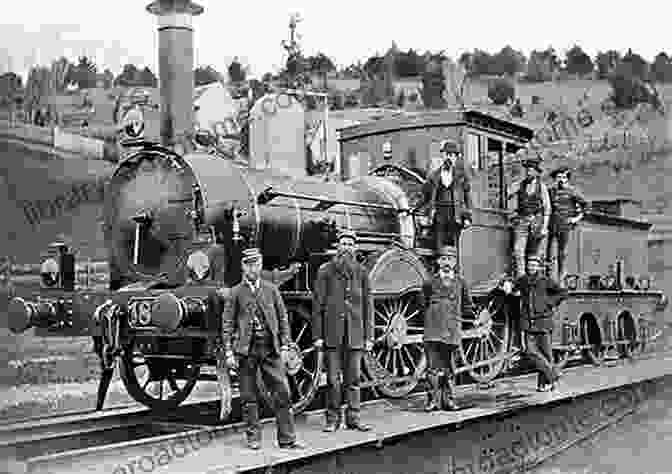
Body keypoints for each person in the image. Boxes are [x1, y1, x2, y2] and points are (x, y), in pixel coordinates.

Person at [221, 248, 304, 450]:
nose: (253, 268)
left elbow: (283, 318)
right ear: (243, 267)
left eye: (256, 264)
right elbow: (227, 324)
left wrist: (285, 345)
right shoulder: (235, 293)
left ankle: (287, 439)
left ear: (260, 265)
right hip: (245, 351)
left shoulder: (271, 289)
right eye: (249, 265)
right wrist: (229, 352)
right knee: (249, 397)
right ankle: (253, 438)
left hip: (271, 349)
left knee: (282, 393)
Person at [312, 230, 374, 433]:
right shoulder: (325, 271)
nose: (346, 247)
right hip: (332, 335)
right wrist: (318, 336)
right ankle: (332, 419)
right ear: (337, 246)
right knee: (332, 381)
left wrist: (369, 337)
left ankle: (354, 418)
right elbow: (318, 306)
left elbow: (368, 306)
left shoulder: (362, 272)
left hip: (355, 334)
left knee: (354, 379)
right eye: (343, 243)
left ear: (355, 247)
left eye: (350, 244)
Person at [505, 256, 567, 392]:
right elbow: (512, 289)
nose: (531, 268)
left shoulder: (546, 281)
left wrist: (549, 303)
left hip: (544, 321)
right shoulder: (523, 280)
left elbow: (562, 293)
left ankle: (545, 383)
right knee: (530, 351)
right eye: (529, 265)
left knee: (546, 353)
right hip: (528, 322)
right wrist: (507, 287)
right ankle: (553, 374)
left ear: (538, 267)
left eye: (534, 265)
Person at [422, 246, 473, 411]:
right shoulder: (429, 282)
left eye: (450, 259)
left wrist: (473, 319)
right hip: (433, 330)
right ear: (438, 262)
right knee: (432, 369)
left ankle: (449, 400)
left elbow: (467, 305)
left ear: (455, 263)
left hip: (452, 330)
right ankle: (432, 401)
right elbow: (423, 303)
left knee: (450, 367)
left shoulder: (461, 283)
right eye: (443, 259)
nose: (446, 263)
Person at [415, 139, 473, 252]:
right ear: (443, 156)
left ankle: (454, 269)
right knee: (439, 247)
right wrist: (413, 209)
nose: (449, 158)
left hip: (455, 215)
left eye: (452, 155)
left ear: (456, 157)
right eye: (447, 154)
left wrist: (467, 218)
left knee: (454, 248)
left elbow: (467, 198)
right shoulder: (434, 176)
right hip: (439, 214)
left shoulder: (461, 177)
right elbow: (424, 196)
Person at [508, 154, 551, 278]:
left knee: (534, 254)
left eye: (531, 169)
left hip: (536, 222)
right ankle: (521, 278)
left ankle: (536, 279)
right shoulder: (520, 185)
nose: (528, 172)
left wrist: (544, 227)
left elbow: (547, 208)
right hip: (522, 222)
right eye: (527, 169)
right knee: (518, 251)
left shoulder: (541, 187)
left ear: (537, 172)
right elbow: (507, 193)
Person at [546, 166, 588, 283]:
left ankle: (561, 277)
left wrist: (577, 218)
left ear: (567, 179)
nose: (561, 179)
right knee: (549, 253)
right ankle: (549, 277)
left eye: (564, 177)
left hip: (565, 225)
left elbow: (586, 206)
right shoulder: (551, 191)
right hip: (551, 224)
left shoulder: (573, 191)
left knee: (562, 253)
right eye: (558, 177)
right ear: (555, 179)